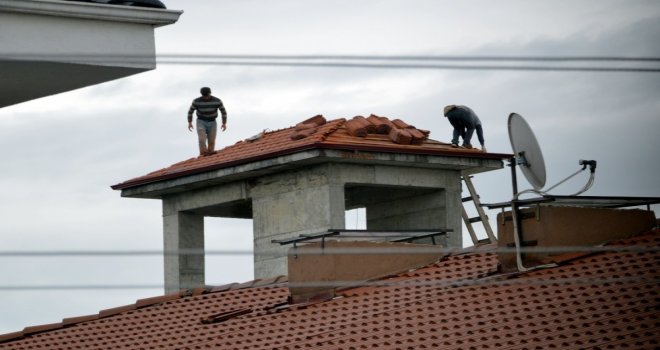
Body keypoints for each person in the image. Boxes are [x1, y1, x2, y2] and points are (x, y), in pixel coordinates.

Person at [187, 87, 227, 156]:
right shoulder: (196, 101)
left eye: (207, 96)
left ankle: (210, 153)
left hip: (212, 122)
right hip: (201, 121)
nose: (205, 98)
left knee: (211, 141)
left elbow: (223, 112)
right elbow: (190, 112)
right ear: (202, 95)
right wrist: (190, 122)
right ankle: (203, 153)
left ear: (210, 93)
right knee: (202, 139)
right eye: (204, 96)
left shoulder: (217, 101)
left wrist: (224, 123)